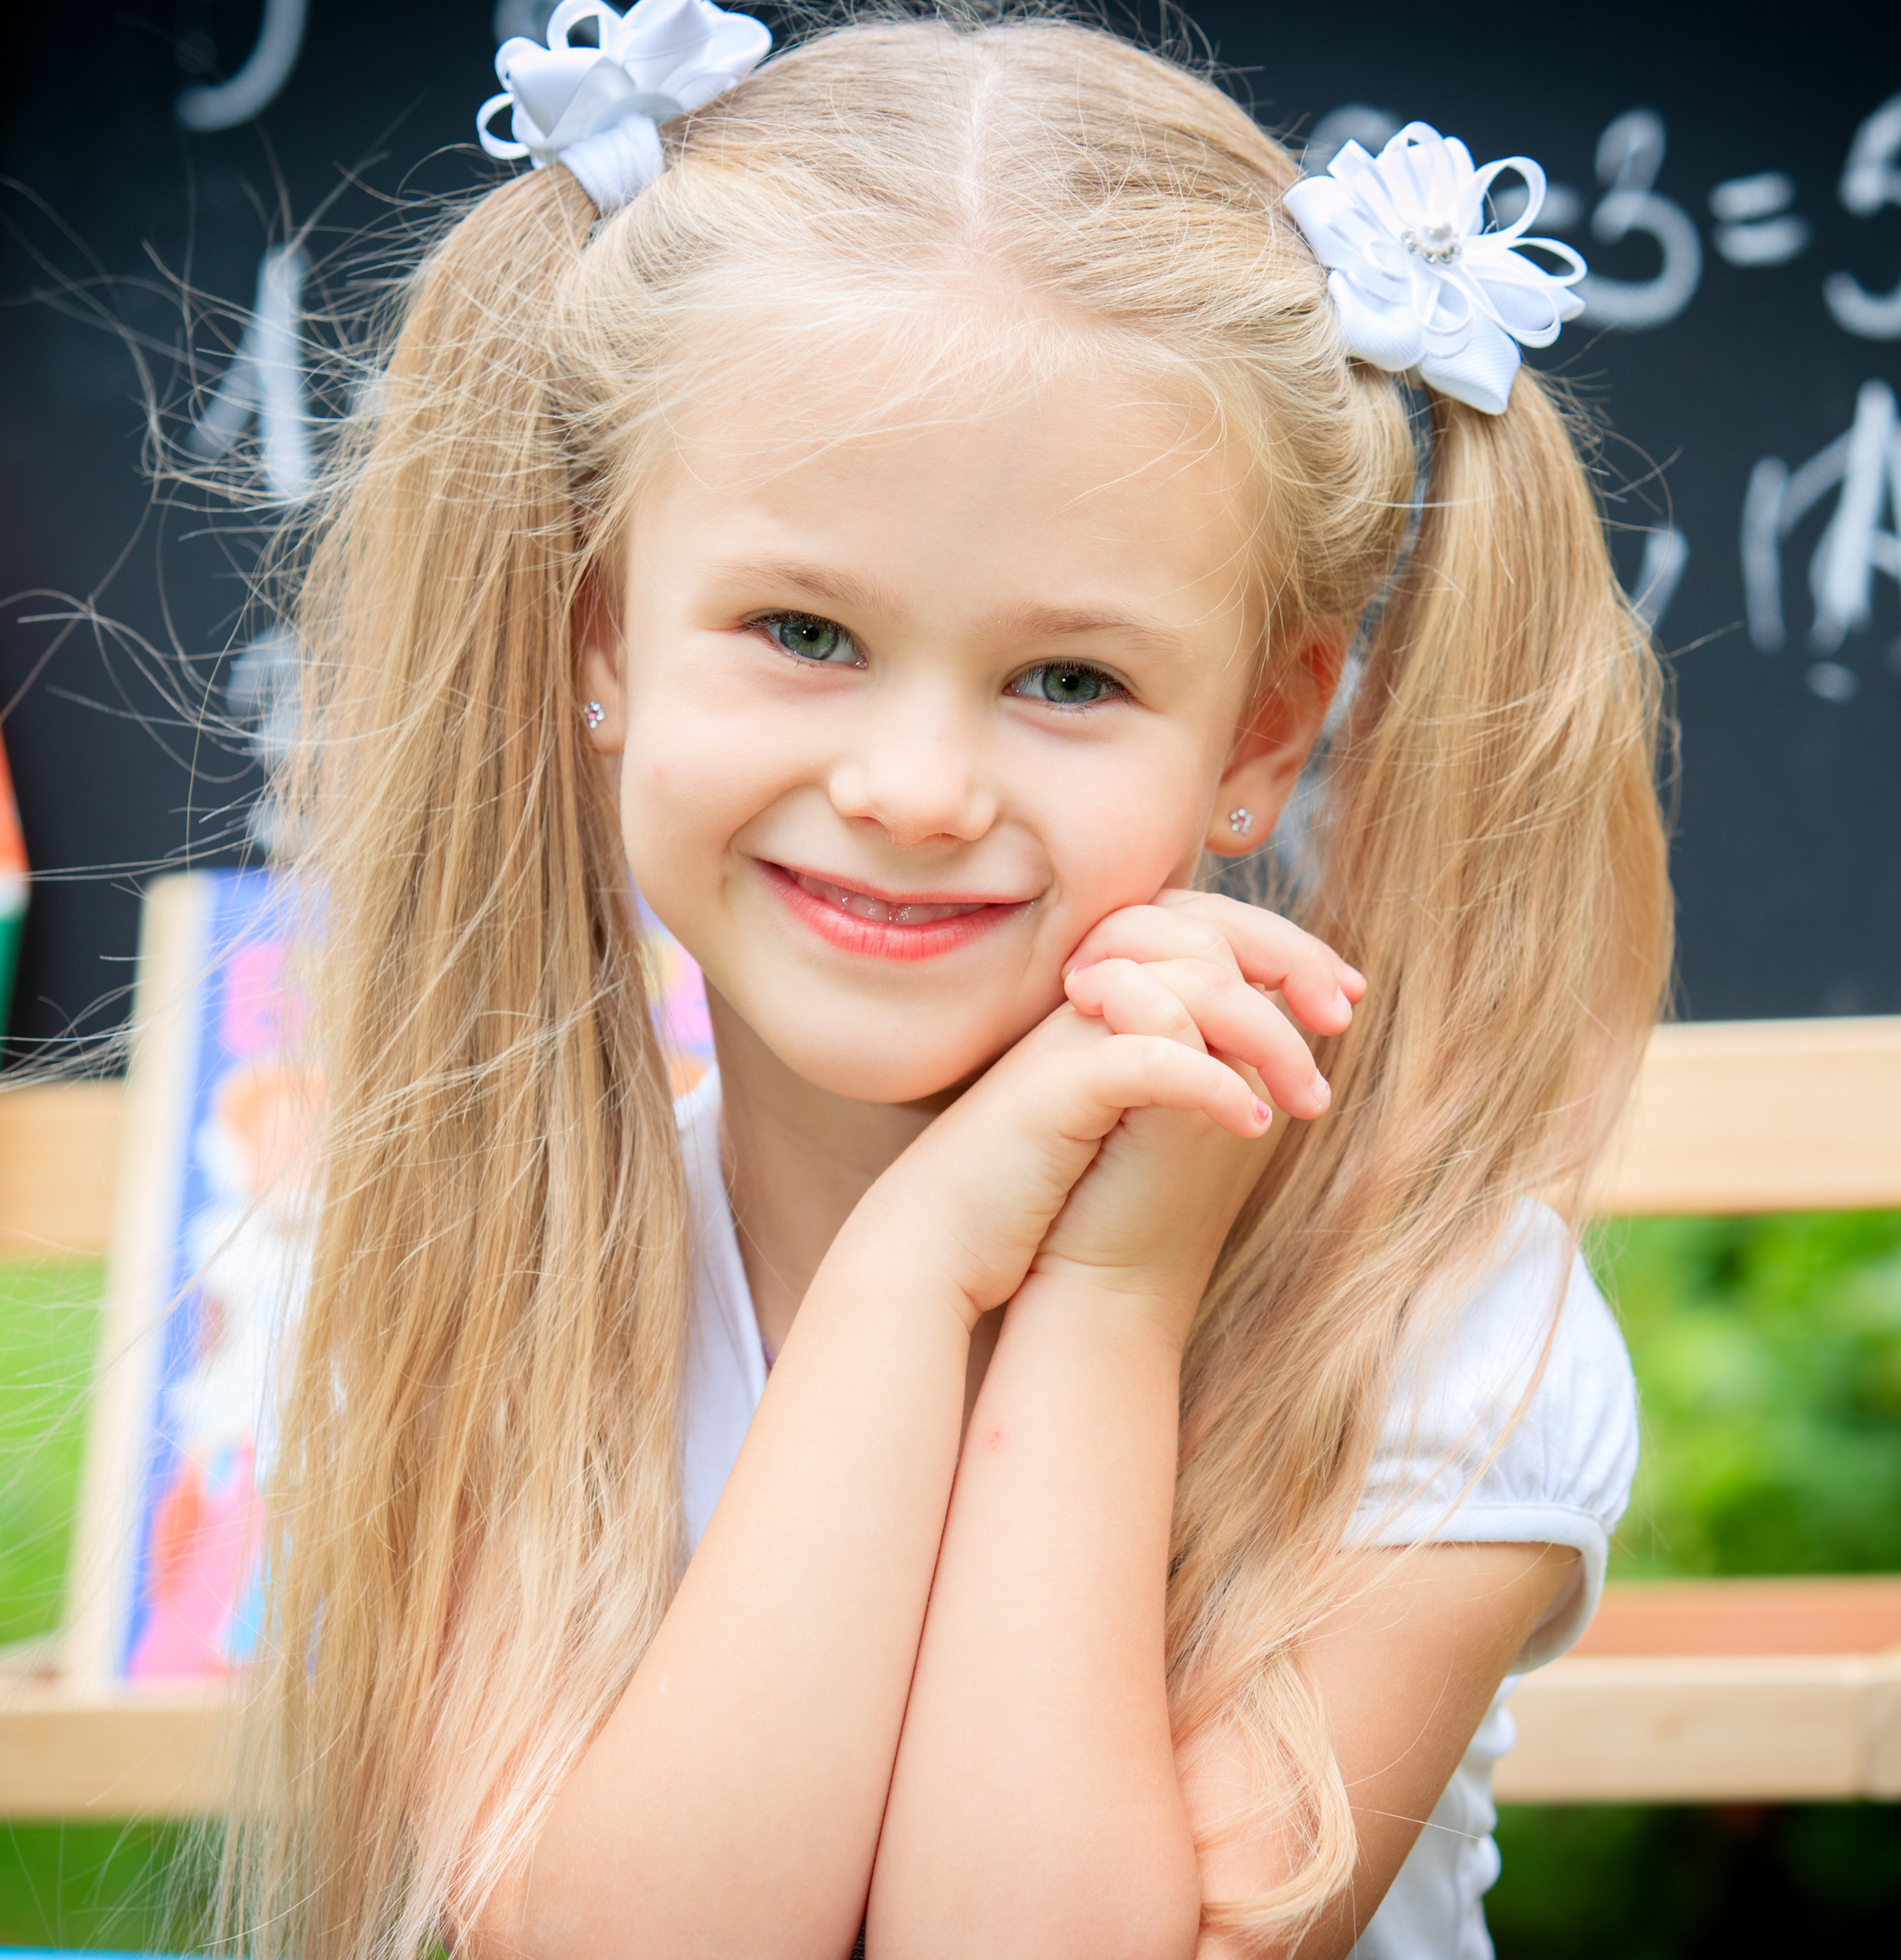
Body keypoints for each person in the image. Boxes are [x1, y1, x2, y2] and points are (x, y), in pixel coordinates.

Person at [231, 5, 1671, 1955]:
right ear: (603, 634)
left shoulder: (1427, 1336)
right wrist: (919, 1268)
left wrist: (1097, 1289)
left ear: (1259, 728)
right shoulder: (503, 1278)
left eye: (1067, 678)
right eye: (803, 628)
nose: (913, 788)